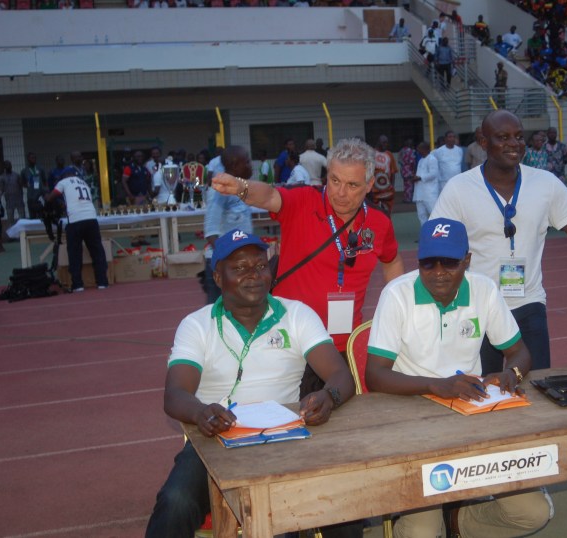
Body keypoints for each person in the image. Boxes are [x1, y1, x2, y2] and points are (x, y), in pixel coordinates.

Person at [144, 228, 356, 538]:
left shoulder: (296, 315)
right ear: (218, 278)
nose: (254, 275)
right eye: (240, 268)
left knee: (337, 506)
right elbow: (175, 394)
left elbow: (341, 375)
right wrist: (201, 412)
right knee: (175, 501)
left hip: (284, 438)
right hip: (215, 439)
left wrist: (329, 396)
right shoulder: (197, 325)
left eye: (260, 265)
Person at [366, 218, 554, 538]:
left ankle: (456, 522)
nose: (438, 271)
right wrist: (434, 385)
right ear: (418, 261)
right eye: (428, 262)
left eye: (450, 262)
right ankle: (415, 520)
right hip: (411, 420)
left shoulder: (484, 290)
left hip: (470, 416)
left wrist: (511, 373)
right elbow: (375, 375)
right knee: (421, 533)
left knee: (533, 513)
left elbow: (520, 352)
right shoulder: (397, 294)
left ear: (467, 260)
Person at [431, 110, 567, 373]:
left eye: (519, 137)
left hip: (529, 303)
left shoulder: (546, 184)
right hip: (478, 305)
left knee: (537, 382)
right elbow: (435, 249)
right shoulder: (459, 188)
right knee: (482, 385)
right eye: (503, 137)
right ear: (484, 142)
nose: (514, 143)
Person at [212, 137, 404, 356]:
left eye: (352, 185)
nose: (341, 193)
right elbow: (269, 196)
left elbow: (392, 261)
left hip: (345, 346)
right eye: (335, 180)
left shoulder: (379, 222)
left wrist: (396, 309)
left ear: (369, 185)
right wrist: (242, 187)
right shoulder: (303, 200)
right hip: (289, 343)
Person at [202, 146, 254, 304]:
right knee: (218, 312)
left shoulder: (242, 187)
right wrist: (226, 264)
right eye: (247, 162)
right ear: (234, 165)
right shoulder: (219, 190)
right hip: (223, 264)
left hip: (240, 262)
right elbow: (211, 231)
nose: (250, 166)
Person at [45, 167, 109, 291]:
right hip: (91, 218)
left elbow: (51, 198)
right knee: (97, 251)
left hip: (75, 220)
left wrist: (46, 195)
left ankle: (78, 284)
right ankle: (102, 282)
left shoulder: (63, 182)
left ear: (64, 175)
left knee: (74, 253)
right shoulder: (84, 183)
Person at [411, 141, 438, 224]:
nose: (418, 150)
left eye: (419, 149)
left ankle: (436, 231)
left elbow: (433, 174)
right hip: (419, 193)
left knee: (433, 214)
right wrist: (415, 178)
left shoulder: (432, 159)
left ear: (425, 149)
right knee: (421, 215)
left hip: (429, 193)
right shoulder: (421, 160)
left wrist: (419, 178)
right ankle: (425, 231)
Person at [371, 135, 398, 214]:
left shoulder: (389, 154)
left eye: (386, 143)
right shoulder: (371, 153)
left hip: (386, 188)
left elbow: (393, 172)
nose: (385, 144)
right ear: (378, 142)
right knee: (375, 211)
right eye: (383, 142)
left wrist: (392, 186)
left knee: (387, 210)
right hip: (374, 189)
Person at [0, 160, 25, 228]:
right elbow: (0, 189)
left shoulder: (16, 175)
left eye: (9, 165)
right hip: (9, 200)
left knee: (22, 217)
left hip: (19, 199)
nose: (8, 167)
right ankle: (11, 232)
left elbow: (21, 185)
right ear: (4, 167)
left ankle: (23, 230)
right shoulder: (1, 177)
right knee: (10, 218)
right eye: (7, 165)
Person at [20, 152, 47, 219]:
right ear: (28, 159)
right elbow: (22, 183)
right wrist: (27, 185)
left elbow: (44, 180)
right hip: (31, 197)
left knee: (42, 215)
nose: (34, 159)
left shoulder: (40, 168)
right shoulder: (24, 171)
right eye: (32, 158)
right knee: (32, 216)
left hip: (41, 196)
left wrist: (45, 191)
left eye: (35, 158)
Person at [398, 137, 417, 203]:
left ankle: (406, 198)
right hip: (409, 170)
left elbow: (399, 160)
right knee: (410, 185)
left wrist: (403, 165)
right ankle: (409, 199)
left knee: (406, 185)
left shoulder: (402, 150)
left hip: (403, 170)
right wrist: (414, 170)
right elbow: (412, 162)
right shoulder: (411, 151)